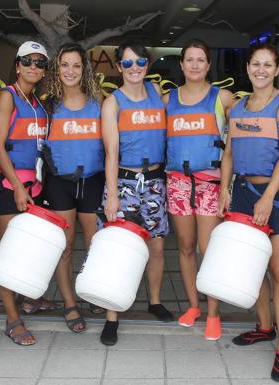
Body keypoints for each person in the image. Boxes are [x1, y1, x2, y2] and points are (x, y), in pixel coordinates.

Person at [218, 43, 279, 382]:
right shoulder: (237, 107)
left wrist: (267, 196)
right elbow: (228, 154)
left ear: (277, 69)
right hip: (241, 192)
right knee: (254, 267)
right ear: (249, 68)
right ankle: (265, 327)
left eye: (268, 65)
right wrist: (225, 188)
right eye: (256, 64)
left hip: (278, 193)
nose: (261, 70)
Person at [100, 40, 173, 345]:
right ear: (119, 67)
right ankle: (111, 315)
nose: (134, 68)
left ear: (147, 64)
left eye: (139, 62)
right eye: (127, 63)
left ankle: (154, 301)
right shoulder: (113, 103)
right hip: (125, 183)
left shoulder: (158, 94)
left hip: (155, 182)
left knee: (156, 248)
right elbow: (111, 152)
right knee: (118, 249)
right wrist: (113, 194)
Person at [162, 39, 233, 340]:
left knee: (209, 250)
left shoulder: (223, 98)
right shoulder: (168, 100)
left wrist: (228, 185)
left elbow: (239, 138)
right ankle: (194, 306)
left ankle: (213, 312)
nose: (194, 65)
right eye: (189, 59)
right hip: (177, 181)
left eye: (200, 59)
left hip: (209, 183)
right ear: (181, 65)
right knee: (186, 248)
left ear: (208, 65)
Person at [0, 41, 56, 345]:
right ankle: (12, 319)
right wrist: (16, 185)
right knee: (9, 255)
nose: (33, 67)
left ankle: (30, 299)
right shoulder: (7, 97)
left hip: (36, 187)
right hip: (10, 186)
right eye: (27, 61)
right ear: (17, 66)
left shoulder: (38, 104)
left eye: (39, 63)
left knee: (31, 250)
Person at [39, 42, 105, 328]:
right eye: (65, 65)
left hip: (93, 181)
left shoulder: (99, 101)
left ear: (84, 69)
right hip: (60, 184)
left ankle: (92, 291)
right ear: (57, 68)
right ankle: (69, 303)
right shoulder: (48, 104)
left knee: (95, 246)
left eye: (76, 65)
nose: (70, 71)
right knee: (64, 248)